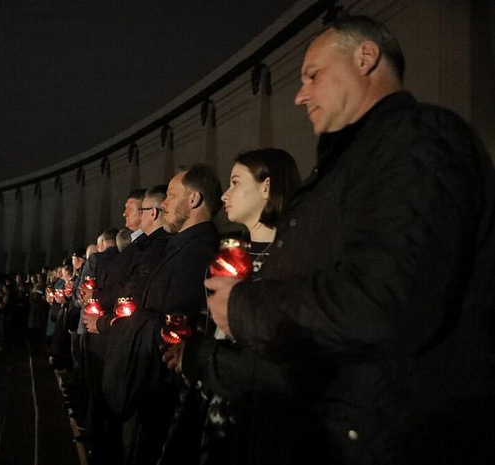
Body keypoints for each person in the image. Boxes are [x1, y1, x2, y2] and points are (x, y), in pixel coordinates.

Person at [206, 15, 495, 464]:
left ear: (366, 58)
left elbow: (384, 302)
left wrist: (242, 307)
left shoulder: (418, 141)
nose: (300, 95)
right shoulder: (345, 170)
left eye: (312, 75)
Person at [162, 149, 301, 465]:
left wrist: (202, 356)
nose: (225, 195)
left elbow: (275, 361)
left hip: (257, 422)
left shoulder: (292, 264)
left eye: (236, 183)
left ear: (267, 187)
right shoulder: (232, 255)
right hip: (213, 405)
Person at [114, 164, 222, 465]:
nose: (163, 204)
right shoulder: (181, 246)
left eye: (171, 195)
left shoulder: (198, 251)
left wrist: (132, 322)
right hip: (156, 385)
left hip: (166, 390)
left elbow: (177, 324)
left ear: (194, 200)